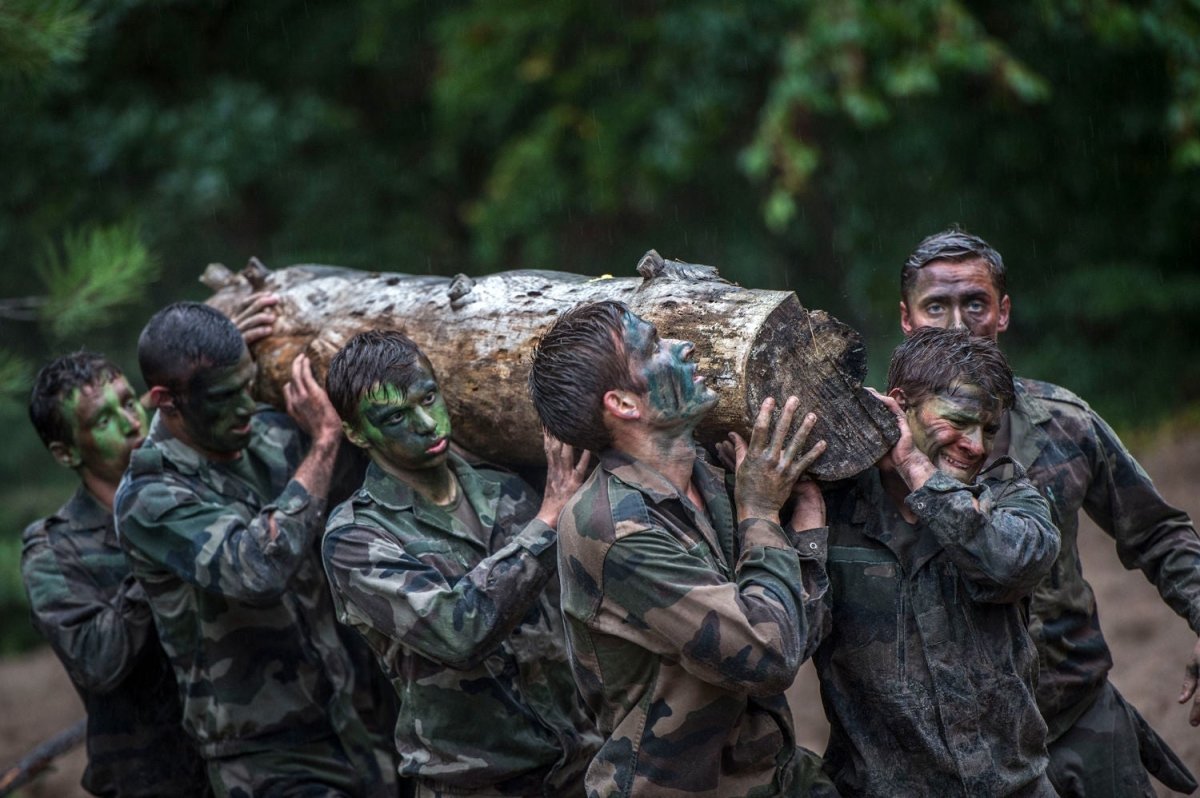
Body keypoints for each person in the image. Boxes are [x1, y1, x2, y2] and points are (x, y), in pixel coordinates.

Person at [898, 227, 1200, 796]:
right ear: (907, 320)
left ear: (1003, 313)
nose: (958, 325)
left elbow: (1157, 533)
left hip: (1077, 716)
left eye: (976, 304)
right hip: (946, 753)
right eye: (937, 306)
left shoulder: (1062, 424)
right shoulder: (872, 448)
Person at [528, 300, 833, 798]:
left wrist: (806, 531)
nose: (683, 346)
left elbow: (796, 633)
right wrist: (759, 514)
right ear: (624, 405)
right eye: (653, 347)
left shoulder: (714, 480)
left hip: (770, 776)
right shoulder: (611, 528)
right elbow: (769, 656)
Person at [114, 302, 387, 797]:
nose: (246, 408)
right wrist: (324, 443)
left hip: (353, 723)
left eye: (247, 385)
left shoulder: (266, 437)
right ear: (165, 399)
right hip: (266, 759)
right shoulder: (149, 497)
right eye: (223, 396)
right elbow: (257, 571)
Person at [321, 330, 600, 797]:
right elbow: (457, 633)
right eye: (395, 417)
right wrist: (547, 521)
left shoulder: (505, 489)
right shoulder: (356, 536)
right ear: (355, 433)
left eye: (428, 397)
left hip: (579, 765)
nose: (427, 424)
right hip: (474, 782)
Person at [812, 326, 1059, 796]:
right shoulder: (832, 507)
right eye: (959, 421)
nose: (978, 445)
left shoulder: (1007, 495)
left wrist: (915, 467)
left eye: (988, 429)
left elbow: (1010, 563)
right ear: (900, 403)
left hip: (1015, 788)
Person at [21, 351, 208, 797]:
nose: (131, 423)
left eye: (127, 402)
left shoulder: (199, 489)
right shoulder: (53, 549)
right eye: (102, 419)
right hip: (151, 782)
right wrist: (151, 544)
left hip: (243, 764)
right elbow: (96, 661)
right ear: (65, 452)